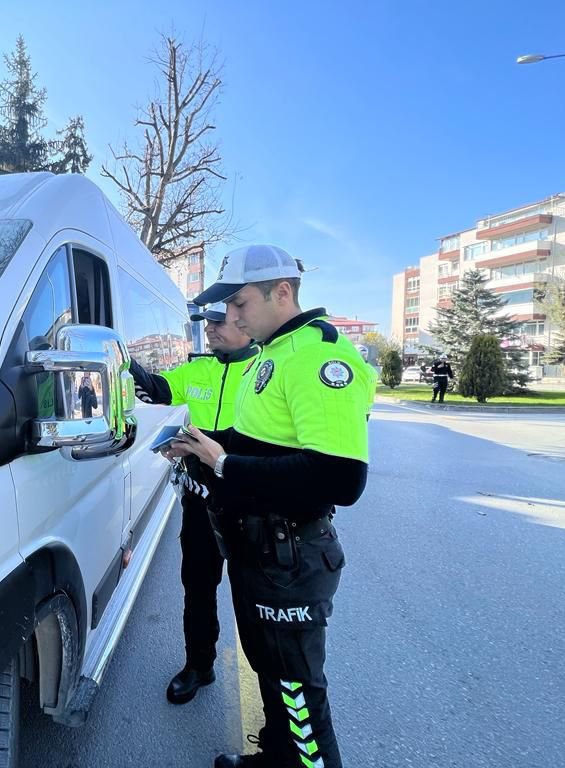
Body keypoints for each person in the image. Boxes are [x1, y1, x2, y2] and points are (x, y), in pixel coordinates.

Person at [163, 244, 375, 768]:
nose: (229, 318)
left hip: (290, 555)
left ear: (282, 292)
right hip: (258, 548)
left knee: (300, 697)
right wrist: (201, 443)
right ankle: (276, 755)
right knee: (270, 673)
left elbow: (339, 477)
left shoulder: (319, 357)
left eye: (239, 305)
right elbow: (257, 440)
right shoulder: (273, 354)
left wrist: (224, 464)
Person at [129, 304, 258, 704]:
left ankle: (272, 688)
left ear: (245, 320)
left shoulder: (266, 370)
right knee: (198, 587)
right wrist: (123, 359)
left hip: (249, 506)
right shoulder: (198, 369)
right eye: (207, 323)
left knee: (253, 598)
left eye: (218, 321)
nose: (211, 330)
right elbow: (155, 387)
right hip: (201, 504)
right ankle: (198, 665)